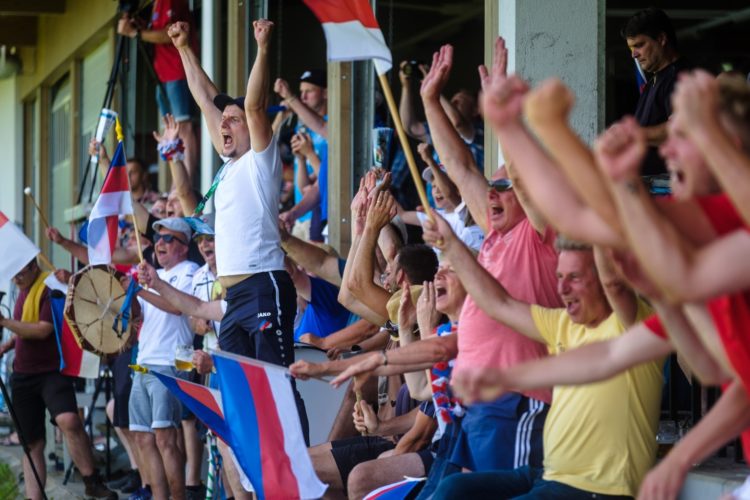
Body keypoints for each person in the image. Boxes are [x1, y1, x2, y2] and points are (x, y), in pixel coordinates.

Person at [421, 220, 661, 498]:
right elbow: (499, 303)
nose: (563, 289)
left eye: (575, 277)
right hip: (547, 475)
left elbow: (615, 284)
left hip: (599, 489)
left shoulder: (631, 323)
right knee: (454, 489)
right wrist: (450, 243)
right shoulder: (563, 324)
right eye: (560, 277)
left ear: (604, 280)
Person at [169, 17, 308, 442]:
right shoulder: (228, 167)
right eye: (222, 121)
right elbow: (202, 97)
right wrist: (182, 48)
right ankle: (258, 475)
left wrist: (263, 48)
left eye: (233, 121)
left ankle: (296, 467)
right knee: (240, 393)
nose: (224, 125)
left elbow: (251, 106)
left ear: (254, 130)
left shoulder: (259, 161)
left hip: (264, 285)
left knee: (278, 388)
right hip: (233, 298)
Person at [0, 258, 116, 500]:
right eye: (13, 275)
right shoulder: (23, 291)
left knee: (69, 421)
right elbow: (24, 331)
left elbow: (43, 329)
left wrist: (4, 322)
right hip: (23, 374)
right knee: (32, 444)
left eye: (20, 274)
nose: (16, 279)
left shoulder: (48, 287)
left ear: (33, 266)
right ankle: (35, 497)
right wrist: (8, 344)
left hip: (52, 371)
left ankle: (91, 480)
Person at [126, 217, 199, 500]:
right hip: (143, 361)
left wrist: (143, 288)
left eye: (168, 239)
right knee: (143, 438)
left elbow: (177, 308)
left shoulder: (190, 271)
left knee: (165, 438)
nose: (160, 244)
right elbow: (137, 317)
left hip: (171, 362)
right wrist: (129, 293)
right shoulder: (153, 274)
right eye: (158, 239)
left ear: (183, 246)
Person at [118, 0, 199, 181]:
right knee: (170, 130)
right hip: (162, 74)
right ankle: (177, 184)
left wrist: (135, 32)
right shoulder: (156, 3)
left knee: (183, 127)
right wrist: (136, 24)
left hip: (177, 71)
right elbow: (155, 31)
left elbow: (168, 34)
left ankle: (188, 181)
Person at [621, 7, 683, 176]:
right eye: (631, 48)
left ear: (662, 39)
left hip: (671, 188)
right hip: (651, 187)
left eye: (639, 45)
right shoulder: (653, 81)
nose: (634, 54)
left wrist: (632, 134)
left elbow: (681, 130)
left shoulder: (680, 78)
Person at [275, 69, 329, 241]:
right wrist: (280, 117)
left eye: (309, 91)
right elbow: (262, 148)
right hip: (300, 215)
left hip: (320, 216)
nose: (303, 97)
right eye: (301, 92)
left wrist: (292, 98)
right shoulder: (301, 126)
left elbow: (325, 177)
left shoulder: (332, 125)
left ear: (326, 93)